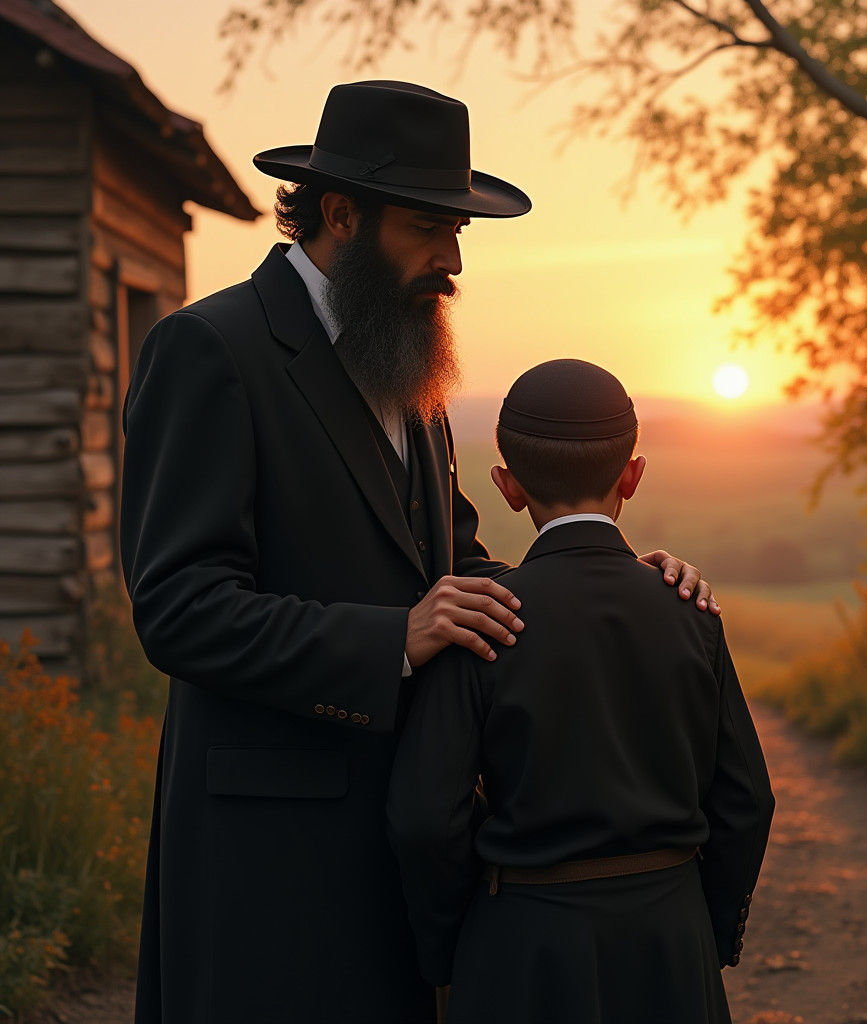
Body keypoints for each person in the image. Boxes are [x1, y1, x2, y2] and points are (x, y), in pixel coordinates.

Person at [120, 82, 719, 1024]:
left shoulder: (408, 367)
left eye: (460, 232)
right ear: (342, 213)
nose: (452, 261)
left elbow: (465, 570)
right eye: (429, 229)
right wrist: (393, 639)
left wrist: (615, 585)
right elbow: (178, 608)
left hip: (409, 843)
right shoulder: (209, 350)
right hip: (266, 855)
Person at [387, 358, 774, 1024]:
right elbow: (747, 801)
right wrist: (702, 930)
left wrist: (456, 949)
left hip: (524, 951)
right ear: (633, 475)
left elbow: (425, 818)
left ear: (508, 488)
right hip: (671, 943)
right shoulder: (688, 609)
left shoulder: (483, 620)